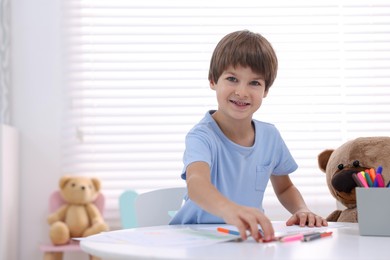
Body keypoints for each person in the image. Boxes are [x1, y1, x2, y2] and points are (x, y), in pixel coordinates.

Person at [169, 30, 327, 242]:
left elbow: (285, 187)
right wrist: (230, 210)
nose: (242, 92)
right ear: (213, 81)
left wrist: (301, 209)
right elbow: (197, 183)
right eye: (232, 79)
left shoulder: (270, 136)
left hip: (243, 239)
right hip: (196, 238)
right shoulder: (201, 136)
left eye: (254, 83)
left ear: (266, 90)